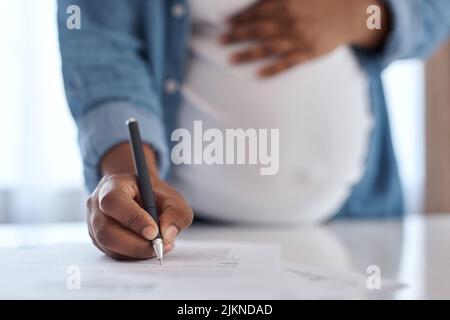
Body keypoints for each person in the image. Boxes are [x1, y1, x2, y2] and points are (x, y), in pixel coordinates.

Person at [58, 0, 450, 260]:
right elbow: (100, 44)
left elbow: (436, 13)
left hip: (356, 229)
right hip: (191, 242)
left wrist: (360, 15)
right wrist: (130, 174)